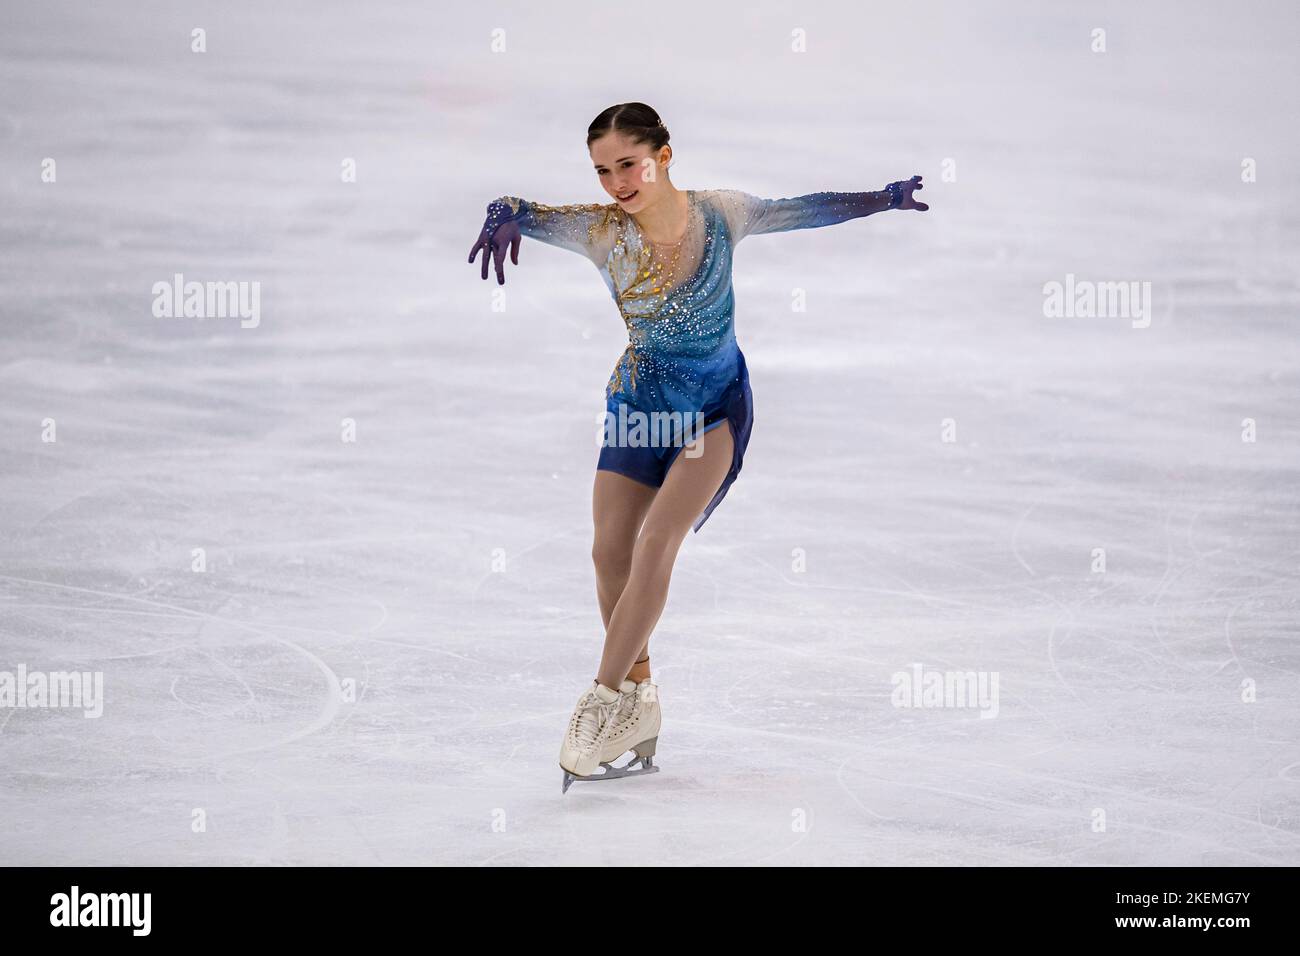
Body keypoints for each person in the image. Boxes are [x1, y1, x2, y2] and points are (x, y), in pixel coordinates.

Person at [467, 102, 928, 790]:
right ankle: (641, 703)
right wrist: (500, 214)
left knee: (657, 542)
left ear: (664, 154)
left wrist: (880, 199)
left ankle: (601, 700)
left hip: (713, 410)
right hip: (637, 406)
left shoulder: (721, 214)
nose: (617, 181)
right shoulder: (601, 232)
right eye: (602, 170)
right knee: (608, 551)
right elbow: (519, 207)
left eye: (629, 162)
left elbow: (802, 209)